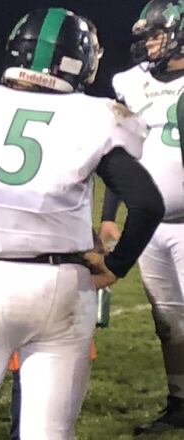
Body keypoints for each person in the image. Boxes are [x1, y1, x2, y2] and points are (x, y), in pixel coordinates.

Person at [0, 8, 164, 439]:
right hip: (61, 284)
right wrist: (118, 264)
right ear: (78, 61)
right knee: (49, 432)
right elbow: (147, 204)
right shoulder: (95, 114)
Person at [99, 0, 184, 434]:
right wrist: (110, 214)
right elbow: (120, 153)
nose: (149, 42)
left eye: (157, 33)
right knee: (168, 322)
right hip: (151, 225)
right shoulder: (131, 83)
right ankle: (179, 402)